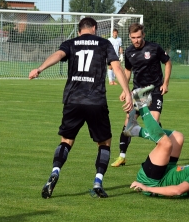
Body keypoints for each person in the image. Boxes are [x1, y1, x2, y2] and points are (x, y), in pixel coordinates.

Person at [28, 17, 133, 199]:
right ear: (94, 28)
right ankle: (98, 181)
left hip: (73, 100)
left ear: (79, 31)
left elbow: (58, 55)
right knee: (105, 142)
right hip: (96, 101)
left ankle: (55, 171)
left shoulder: (71, 43)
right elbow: (116, 66)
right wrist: (127, 92)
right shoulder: (103, 43)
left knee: (66, 140)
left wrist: (40, 68)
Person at [126, 85, 189, 197]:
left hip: (152, 181)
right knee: (178, 137)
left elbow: (178, 190)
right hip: (164, 172)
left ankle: (141, 104)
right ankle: (136, 130)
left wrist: (146, 187)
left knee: (166, 144)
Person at [111, 23, 172, 167]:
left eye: (138, 37)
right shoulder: (128, 52)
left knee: (153, 123)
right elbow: (127, 71)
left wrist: (166, 83)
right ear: (130, 37)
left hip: (155, 90)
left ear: (143, 35)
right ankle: (122, 156)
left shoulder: (154, 48)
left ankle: (165, 148)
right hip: (138, 92)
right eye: (133, 38)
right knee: (128, 123)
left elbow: (168, 63)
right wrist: (124, 90)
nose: (136, 40)